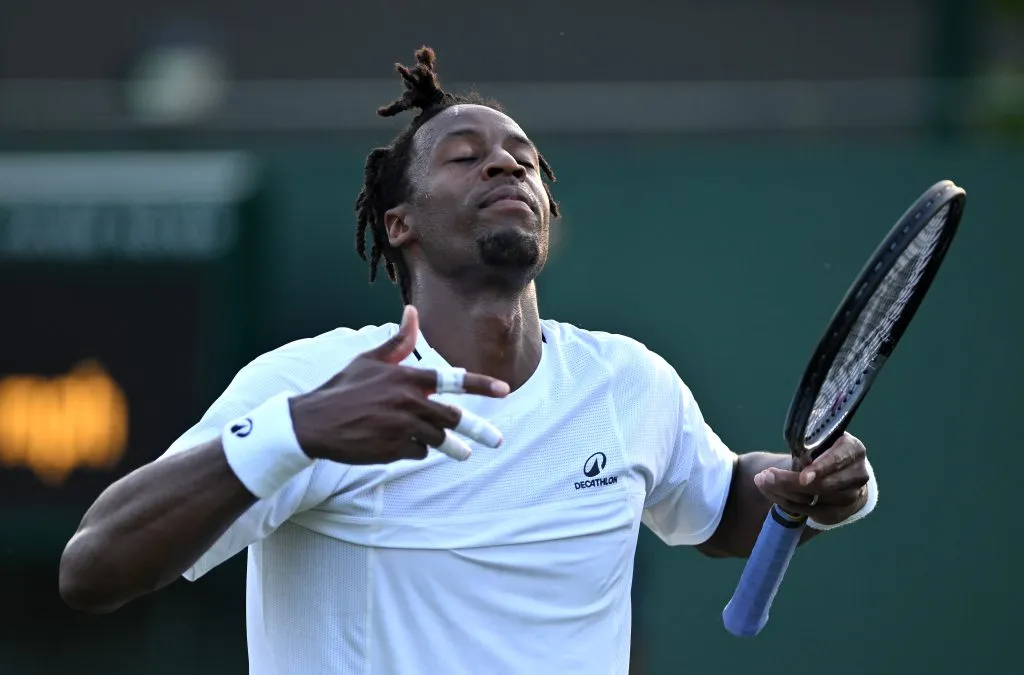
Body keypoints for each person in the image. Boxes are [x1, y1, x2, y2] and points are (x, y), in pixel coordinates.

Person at [58, 47, 878, 674]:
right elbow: (94, 566)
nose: (505, 162)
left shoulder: (629, 383)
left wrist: (810, 487)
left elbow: (725, 504)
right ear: (399, 225)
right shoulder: (307, 382)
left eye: (522, 157)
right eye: (464, 155)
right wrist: (300, 430)